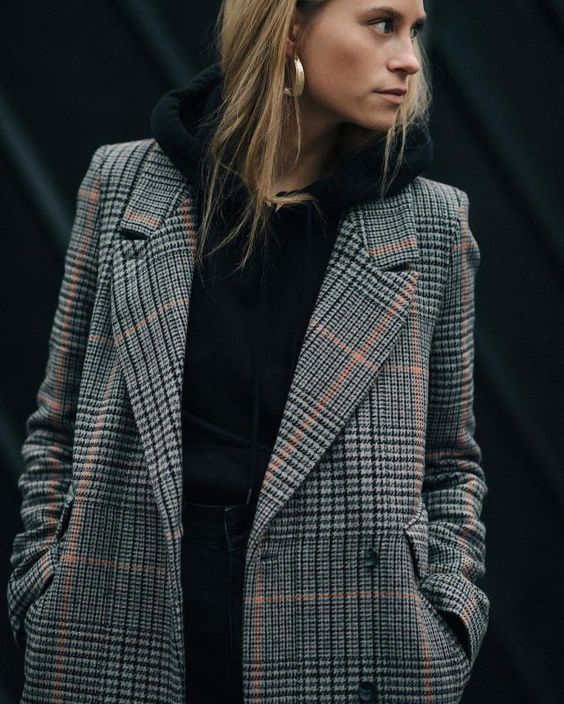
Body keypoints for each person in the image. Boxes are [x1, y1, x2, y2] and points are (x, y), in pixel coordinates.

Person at [7, 1, 490, 703]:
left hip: (353, 637)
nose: (410, 60)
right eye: (382, 23)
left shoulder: (432, 222)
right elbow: (59, 421)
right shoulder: (122, 184)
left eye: (414, 30)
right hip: (116, 622)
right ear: (289, 26)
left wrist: (447, 618)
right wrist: (42, 587)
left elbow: (450, 462)